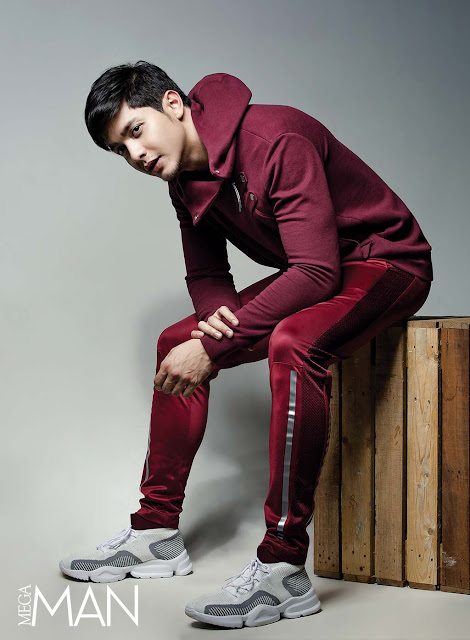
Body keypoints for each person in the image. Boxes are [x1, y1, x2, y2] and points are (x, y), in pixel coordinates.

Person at [59, 61, 433, 629]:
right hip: (317, 269)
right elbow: (209, 277)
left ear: (173, 105)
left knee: (292, 343)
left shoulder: (275, 138)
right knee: (176, 341)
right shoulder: (183, 182)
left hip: (387, 263)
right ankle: (156, 531)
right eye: (120, 149)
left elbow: (316, 272)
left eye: (135, 131)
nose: (134, 155)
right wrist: (209, 333)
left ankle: (283, 566)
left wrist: (214, 350)